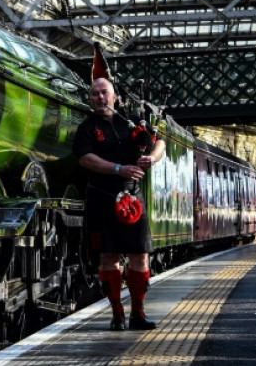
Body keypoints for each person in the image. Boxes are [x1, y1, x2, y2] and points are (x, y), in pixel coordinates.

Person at [72, 78, 166, 331]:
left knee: (140, 256)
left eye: (104, 93)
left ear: (114, 97)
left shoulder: (131, 122)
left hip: (133, 196)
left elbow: (160, 143)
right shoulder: (87, 128)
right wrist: (118, 169)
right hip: (102, 196)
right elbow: (85, 159)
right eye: (94, 94)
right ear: (90, 99)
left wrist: (151, 159)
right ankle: (117, 315)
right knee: (108, 256)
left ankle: (138, 313)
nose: (100, 98)